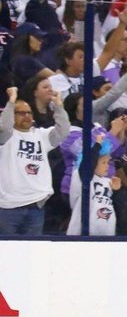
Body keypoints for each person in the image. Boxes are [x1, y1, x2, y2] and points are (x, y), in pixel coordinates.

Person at [0, 87, 70, 235]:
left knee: (31, 253)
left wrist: (58, 105)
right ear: (11, 115)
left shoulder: (41, 135)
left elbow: (63, 131)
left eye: (29, 112)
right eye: (20, 113)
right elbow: (4, 127)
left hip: (36, 205)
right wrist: (12, 99)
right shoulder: (6, 137)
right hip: (8, 207)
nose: (26, 116)